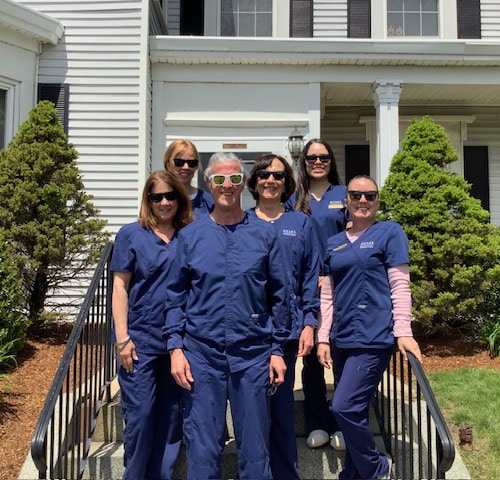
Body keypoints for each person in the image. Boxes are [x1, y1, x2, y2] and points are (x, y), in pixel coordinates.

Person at [163, 152, 290, 480]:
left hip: (253, 356)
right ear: (209, 184)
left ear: (243, 184)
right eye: (219, 179)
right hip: (201, 357)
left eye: (235, 178)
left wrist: (277, 350)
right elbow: (175, 297)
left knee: (254, 450)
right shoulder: (190, 237)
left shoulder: (264, 235)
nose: (227, 186)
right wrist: (175, 349)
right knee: (203, 451)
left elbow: (279, 296)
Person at [317, 175, 423, 480]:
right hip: (342, 337)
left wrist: (403, 330)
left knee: (344, 407)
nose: (363, 201)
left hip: (373, 336)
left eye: (370, 196)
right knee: (356, 410)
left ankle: (377, 468)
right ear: (346, 201)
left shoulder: (390, 232)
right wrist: (324, 337)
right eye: (356, 195)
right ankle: (353, 473)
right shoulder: (333, 243)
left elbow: (400, 285)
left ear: (377, 201)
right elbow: (327, 294)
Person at [111, 170, 193, 479]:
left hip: (179, 344)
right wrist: (122, 338)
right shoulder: (131, 234)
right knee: (142, 415)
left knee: (171, 419)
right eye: (156, 196)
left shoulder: (190, 234)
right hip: (140, 341)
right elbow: (120, 287)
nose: (164, 202)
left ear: (179, 199)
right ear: (148, 200)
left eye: (170, 196)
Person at [246, 153, 320, 479]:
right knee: (252, 411)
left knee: (281, 407)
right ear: (254, 181)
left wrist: (309, 323)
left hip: (287, 330)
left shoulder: (301, 223)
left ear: (286, 182)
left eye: (277, 175)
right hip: (248, 331)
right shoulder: (242, 223)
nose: (270, 180)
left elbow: (310, 276)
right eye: (264, 174)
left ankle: (286, 473)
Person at [286, 138, 347, 449]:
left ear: (331, 160)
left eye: (323, 156)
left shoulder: (343, 195)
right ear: (304, 162)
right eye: (312, 157)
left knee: (338, 352)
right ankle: (316, 422)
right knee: (310, 354)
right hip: (306, 287)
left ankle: (340, 422)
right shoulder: (294, 198)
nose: (317, 162)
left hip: (341, 285)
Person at [163, 138, 214, 217]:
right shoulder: (157, 199)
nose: (186, 167)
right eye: (179, 162)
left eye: (191, 163)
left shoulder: (208, 202)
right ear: (168, 164)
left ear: (196, 166)